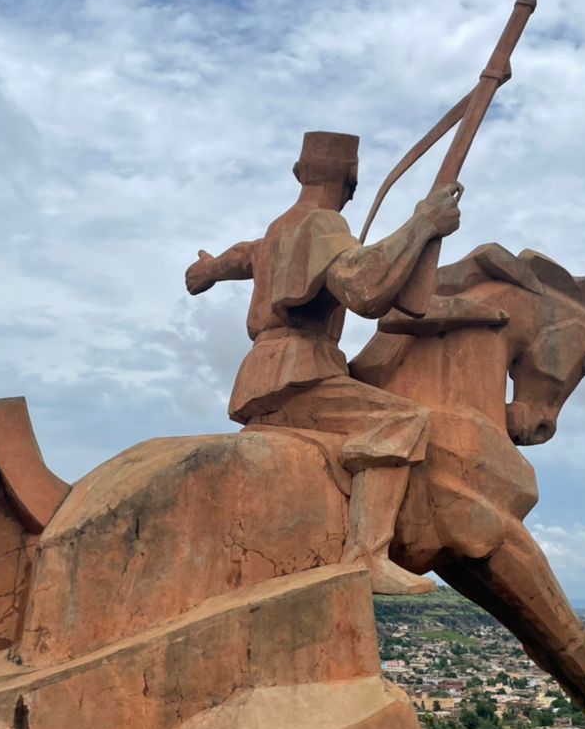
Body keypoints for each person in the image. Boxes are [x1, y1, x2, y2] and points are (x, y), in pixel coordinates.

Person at [184, 131, 464, 595]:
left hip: (260, 374)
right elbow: (363, 290)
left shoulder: (281, 228)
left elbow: (244, 254)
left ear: (300, 172)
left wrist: (210, 269)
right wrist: (423, 222)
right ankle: (368, 555)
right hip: (301, 371)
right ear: (351, 181)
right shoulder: (324, 225)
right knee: (404, 419)